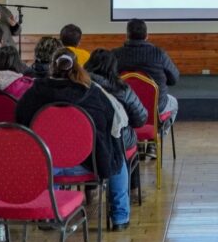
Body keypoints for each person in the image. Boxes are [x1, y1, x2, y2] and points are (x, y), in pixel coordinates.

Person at [15, 48, 131, 230]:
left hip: (47, 167)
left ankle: (48, 215)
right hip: (88, 165)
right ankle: (120, 218)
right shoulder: (92, 93)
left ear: (52, 66)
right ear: (78, 66)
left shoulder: (35, 92)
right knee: (117, 158)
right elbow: (109, 122)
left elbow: (20, 118)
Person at [113, 19, 179, 158]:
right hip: (155, 108)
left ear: (127, 35)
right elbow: (174, 78)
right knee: (173, 103)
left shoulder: (115, 55)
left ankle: (132, 143)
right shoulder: (158, 54)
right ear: (146, 35)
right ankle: (155, 141)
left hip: (125, 108)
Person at [85, 48, 148, 161]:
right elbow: (140, 118)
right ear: (113, 67)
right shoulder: (122, 89)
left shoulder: (78, 85)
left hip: (84, 140)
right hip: (115, 139)